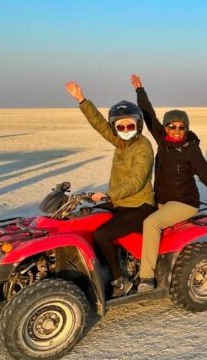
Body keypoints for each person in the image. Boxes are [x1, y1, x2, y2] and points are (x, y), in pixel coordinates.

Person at [130, 74, 207, 292]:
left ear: (186, 128)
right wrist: (140, 91)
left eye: (181, 127)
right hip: (161, 201)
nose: (176, 131)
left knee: (151, 224)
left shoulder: (192, 151)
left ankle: (146, 277)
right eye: (172, 126)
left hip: (184, 203)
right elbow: (149, 116)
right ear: (166, 128)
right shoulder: (162, 141)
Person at [65, 81, 155, 298]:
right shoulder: (122, 143)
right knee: (83, 216)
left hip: (139, 206)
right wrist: (82, 100)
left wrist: (109, 195)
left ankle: (119, 280)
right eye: (120, 127)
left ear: (138, 125)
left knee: (103, 234)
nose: (125, 130)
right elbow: (100, 125)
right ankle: (97, 267)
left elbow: (136, 179)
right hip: (121, 202)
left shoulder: (143, 147)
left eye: (130, 126)